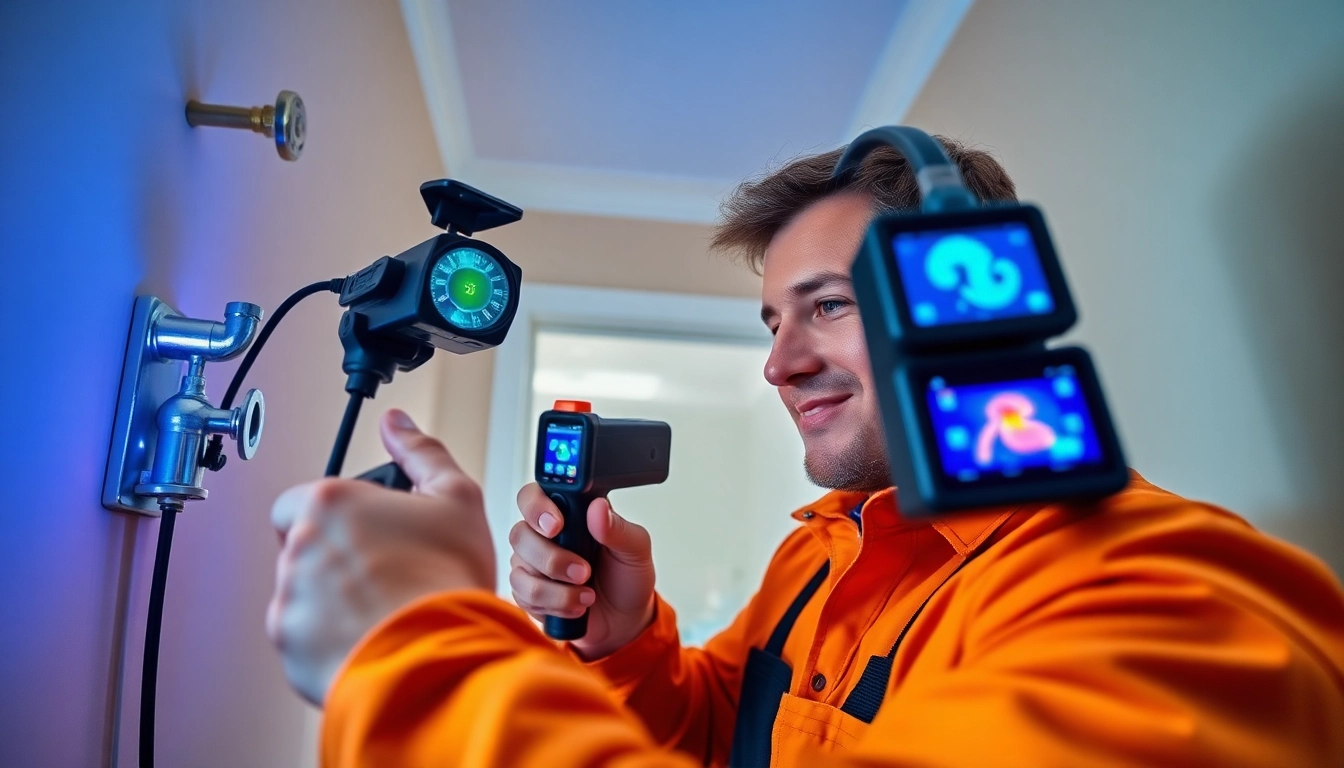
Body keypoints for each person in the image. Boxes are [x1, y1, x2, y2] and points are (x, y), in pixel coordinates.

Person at [267, 139, 1344, 767]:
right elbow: (718, 732)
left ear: (970, 301)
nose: (779, 367)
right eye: (772, 325)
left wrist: (416, 654)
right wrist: (632, 641)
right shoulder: (818, 556)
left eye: (826, 307)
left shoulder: (1170, 592)